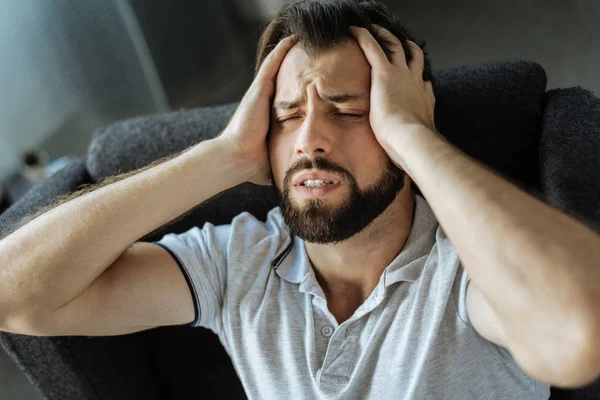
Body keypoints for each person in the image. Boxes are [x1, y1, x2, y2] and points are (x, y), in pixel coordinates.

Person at [0, 0, 599, 399]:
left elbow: (583, 329)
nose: (310, 138)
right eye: (287, 115)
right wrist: (222, 159)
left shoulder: (469, 271)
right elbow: (13, 295)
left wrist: (416, 138)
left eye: (349, 110)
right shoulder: (236, 261)